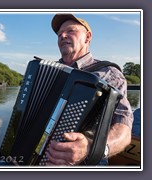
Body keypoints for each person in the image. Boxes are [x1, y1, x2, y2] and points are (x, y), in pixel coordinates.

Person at [46, 13, 134, 166]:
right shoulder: (47, 72)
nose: (63, 36)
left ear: (87, 37)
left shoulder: (108, 74)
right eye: (59, 34)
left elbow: (123, 130)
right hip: (39, 156)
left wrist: (91, 149)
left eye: (71, 31)